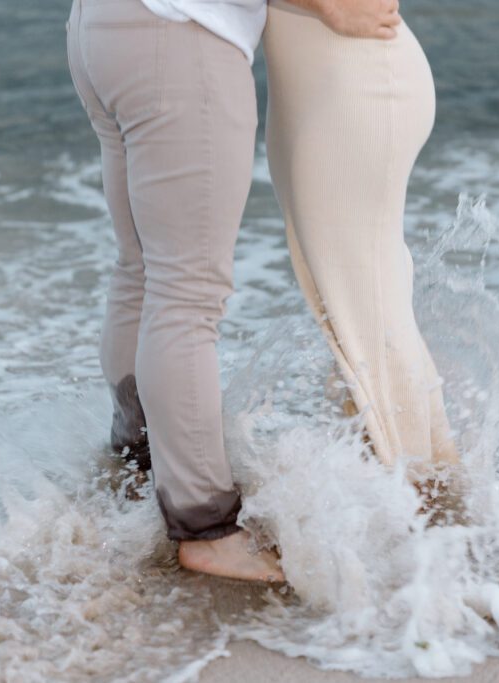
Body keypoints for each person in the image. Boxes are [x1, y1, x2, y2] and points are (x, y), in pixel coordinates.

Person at [64, 0, 404, 583]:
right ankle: (205, 527)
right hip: (179, 36)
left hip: (102, 27)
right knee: (186, 293)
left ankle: (140, 460)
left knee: (143, 270)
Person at [264, 1, 461, 470]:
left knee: (368, 325)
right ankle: (431, 501)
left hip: (358, 84)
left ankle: (428, 508)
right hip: (313, 89)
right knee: (351, 319)